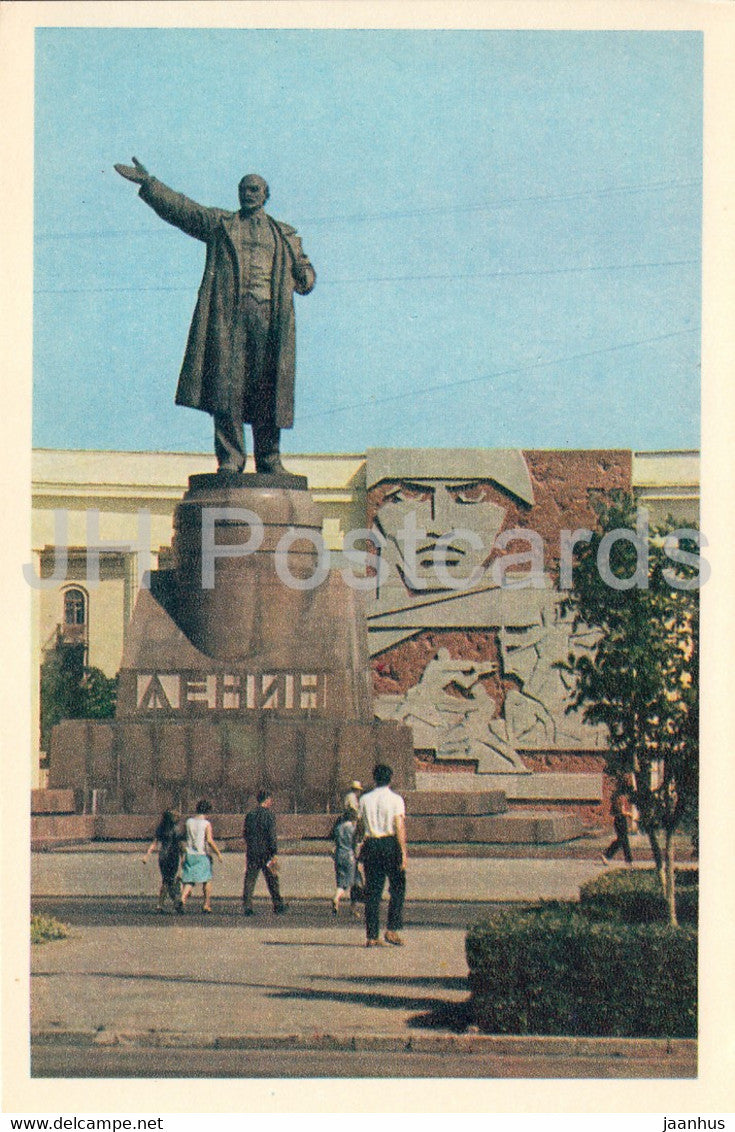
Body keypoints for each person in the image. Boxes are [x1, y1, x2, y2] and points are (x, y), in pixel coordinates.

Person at [114, 158, 316, 475]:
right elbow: (184, 210)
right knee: (227, 387)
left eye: (254, 189)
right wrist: (149, 183)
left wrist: (306, 275)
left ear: (265, 195)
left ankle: (269, 458)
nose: (248, 194)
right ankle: (231, 458)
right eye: (243, 189)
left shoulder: (285, 235)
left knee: (267, 387)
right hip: (229, 319)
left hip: (269, 319)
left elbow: (302, 266)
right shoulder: (221, 225)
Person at [357, 764, 408, 947]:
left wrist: (358, 847)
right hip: (389, 844)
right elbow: (399, 826)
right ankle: (392, 929)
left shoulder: (364, 799)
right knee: (398, 887)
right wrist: (403, 852)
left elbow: (360, 827)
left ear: (374, 778)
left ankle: (372, 936)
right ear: (390, 778)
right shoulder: (396, 800)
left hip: (371, 845)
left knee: (372, 892)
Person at [242, 791, 288, 915]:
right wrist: (274, 852)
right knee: (273, 879)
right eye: (270, 800)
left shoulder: (250, 815)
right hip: (267, 852)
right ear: (267, 800)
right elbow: (271, 835)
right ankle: (278, 905)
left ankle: (247, 906)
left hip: (252, 851)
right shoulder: (269, 815)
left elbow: (245, 833)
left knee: (250, 879)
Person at [180, 800, 223, 913]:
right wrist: (218, 853)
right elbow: (209, 840)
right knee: (207, 879)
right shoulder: (206, 824)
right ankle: (206, 904)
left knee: (189, 879)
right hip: (201, 854)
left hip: (189, 853)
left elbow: (185, 837)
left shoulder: (188, 822)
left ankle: (182, 899)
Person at [142, 810, 183, 913]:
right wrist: (183, 857)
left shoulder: (161, 828)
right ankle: (173, 903)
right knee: (169, 880)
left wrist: (147, 855)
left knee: (166, 880)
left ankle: (167, 904)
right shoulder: (176, 829)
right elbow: (180, 844)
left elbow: (154, 843)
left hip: (163, 856)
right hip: (173, 856)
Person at [331, 807, 359, 916]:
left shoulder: (338, 828)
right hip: (349, 856)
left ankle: (337, 901)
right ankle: (338, 898)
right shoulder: (352, 829)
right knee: (350, 882)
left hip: (338, 855)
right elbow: (354, 844)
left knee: (340, 880)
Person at [601, 774, 634, 866]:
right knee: (622, 840)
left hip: (618, 819)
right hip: (620, 819)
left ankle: (628, 860)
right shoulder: (619, 798)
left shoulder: (617, 796)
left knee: (624, 840)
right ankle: (607, 855)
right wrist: (630, 814)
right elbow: (621, 811)